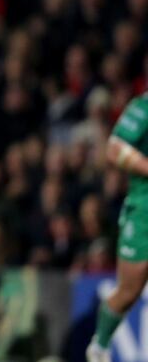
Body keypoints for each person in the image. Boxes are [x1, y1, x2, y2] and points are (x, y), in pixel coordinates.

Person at [87, 93, 148, 362]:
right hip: (144, 210)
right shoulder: (143, 107)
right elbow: (114, 149)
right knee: (130, 290)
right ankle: (99, 347)